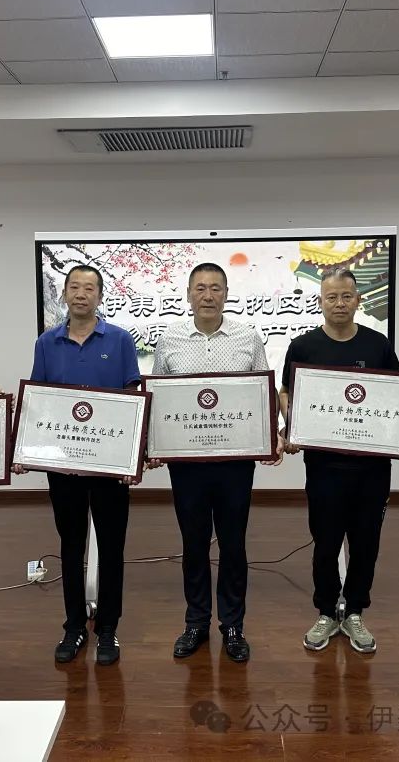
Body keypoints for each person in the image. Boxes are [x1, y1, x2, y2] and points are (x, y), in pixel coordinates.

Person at [15, 264, 140, 666]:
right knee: (70, 545)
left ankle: (108, 628)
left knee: (112, 546)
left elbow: (132, 398)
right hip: (64, 465)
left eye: (89, 288)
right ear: (65, 294)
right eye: (74, 287)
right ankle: (73, 626)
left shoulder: (120, 340)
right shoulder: (46, 342)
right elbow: (39, 400)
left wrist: (130, 457)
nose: (81, 294)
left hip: (109, 466)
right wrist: (25, 450)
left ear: (100, 296)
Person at [151, 262, 271, 663]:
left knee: (234, 544)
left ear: (226, 294)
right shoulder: (168, 339)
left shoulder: (248, 337)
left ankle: (233, 625)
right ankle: (196, 622)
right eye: (200, 288)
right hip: (187, 465)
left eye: (215, 288)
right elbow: (158, 400)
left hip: (235, 463)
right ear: (188, 294)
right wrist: (152, 444)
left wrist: (270, 438)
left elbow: (262, 394)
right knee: (193, 543)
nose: (208, 295)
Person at [279, 267, 399, 654]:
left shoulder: (378, 345)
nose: (339, 304)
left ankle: (355, 612)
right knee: (326, 543)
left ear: (358, 300)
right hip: (323, 468)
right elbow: (286, 391)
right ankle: (326, 612)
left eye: (346, 296)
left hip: (372, 469)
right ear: (320, 302)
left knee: (366, 544)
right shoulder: (303, 346)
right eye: (331, 297)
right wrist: (292, 428)